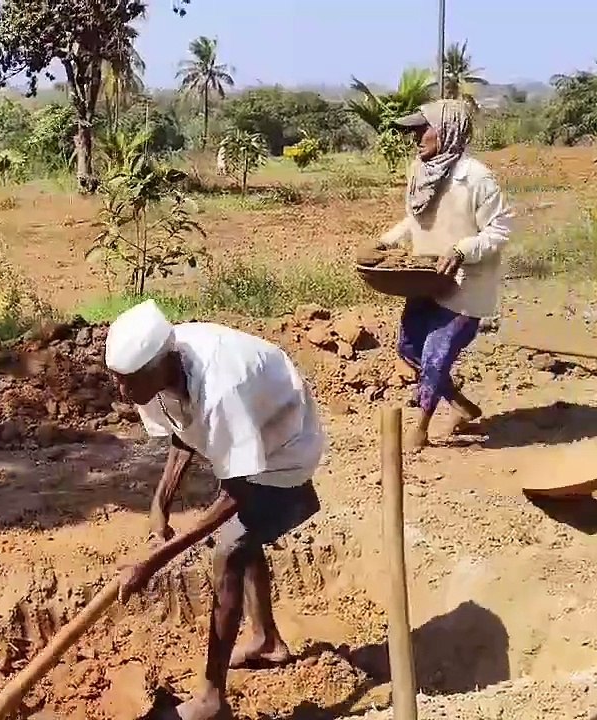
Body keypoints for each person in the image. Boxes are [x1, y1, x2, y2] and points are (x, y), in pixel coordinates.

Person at [105, 300, 325, 720]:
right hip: (249, 431)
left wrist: (153, 561)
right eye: (116, 380)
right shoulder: (153, 376)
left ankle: (211, 696)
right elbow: (181, 431)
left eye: (126, 381)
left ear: (159, 364)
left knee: (230, 547)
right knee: (243, 537)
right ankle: (266, 640)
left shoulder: (222, 387)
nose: (120, 391)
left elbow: (238, 493)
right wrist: (160, 506)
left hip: (285, 440)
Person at [368, 98, 512, 449]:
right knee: (409, 348)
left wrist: (463, 249)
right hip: (424, 278)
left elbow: (501, 229)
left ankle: (420, 427)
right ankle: (462, 406)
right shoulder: (421, 170)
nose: (416, 137)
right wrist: (385, 242)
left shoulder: (477, 178)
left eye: (423, 128)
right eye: (415, 130)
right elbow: (417, 219)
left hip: (465, 286)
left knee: (437, 351)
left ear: (447, 131)